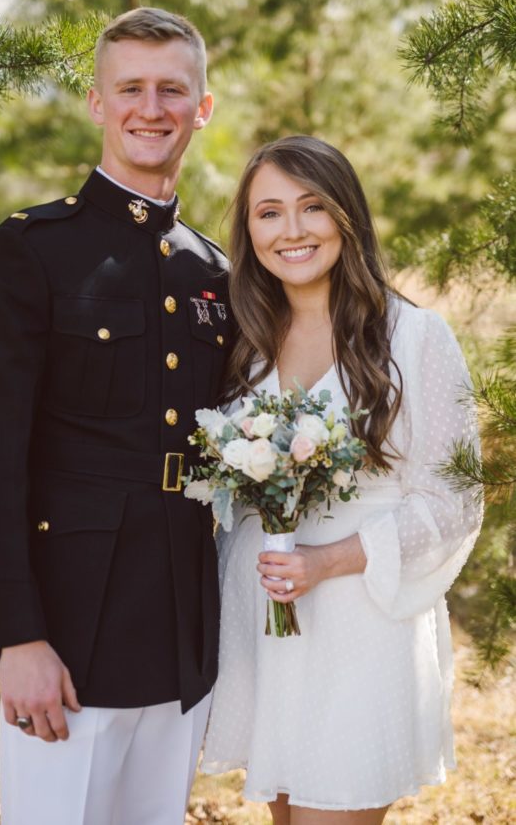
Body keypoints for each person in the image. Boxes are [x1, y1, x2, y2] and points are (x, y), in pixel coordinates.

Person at [0, 7, 232, 825]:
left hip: (181, 621)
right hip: (66, 629)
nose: (153, 108)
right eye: (132, 88)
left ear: (202, 108)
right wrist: (13, 637)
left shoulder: (212, 270)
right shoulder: (31, 251)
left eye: (173, 89)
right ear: (97, 104)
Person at [200, 135, 483, 825]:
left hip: (362, 616)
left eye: (312, 207)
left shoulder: (414, 337)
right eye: (268, 213)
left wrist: (329, 560)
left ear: (346, 216)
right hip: (265, 621)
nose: (291, 231)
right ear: (249, 230)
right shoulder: (243, 339)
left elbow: (454, 499)